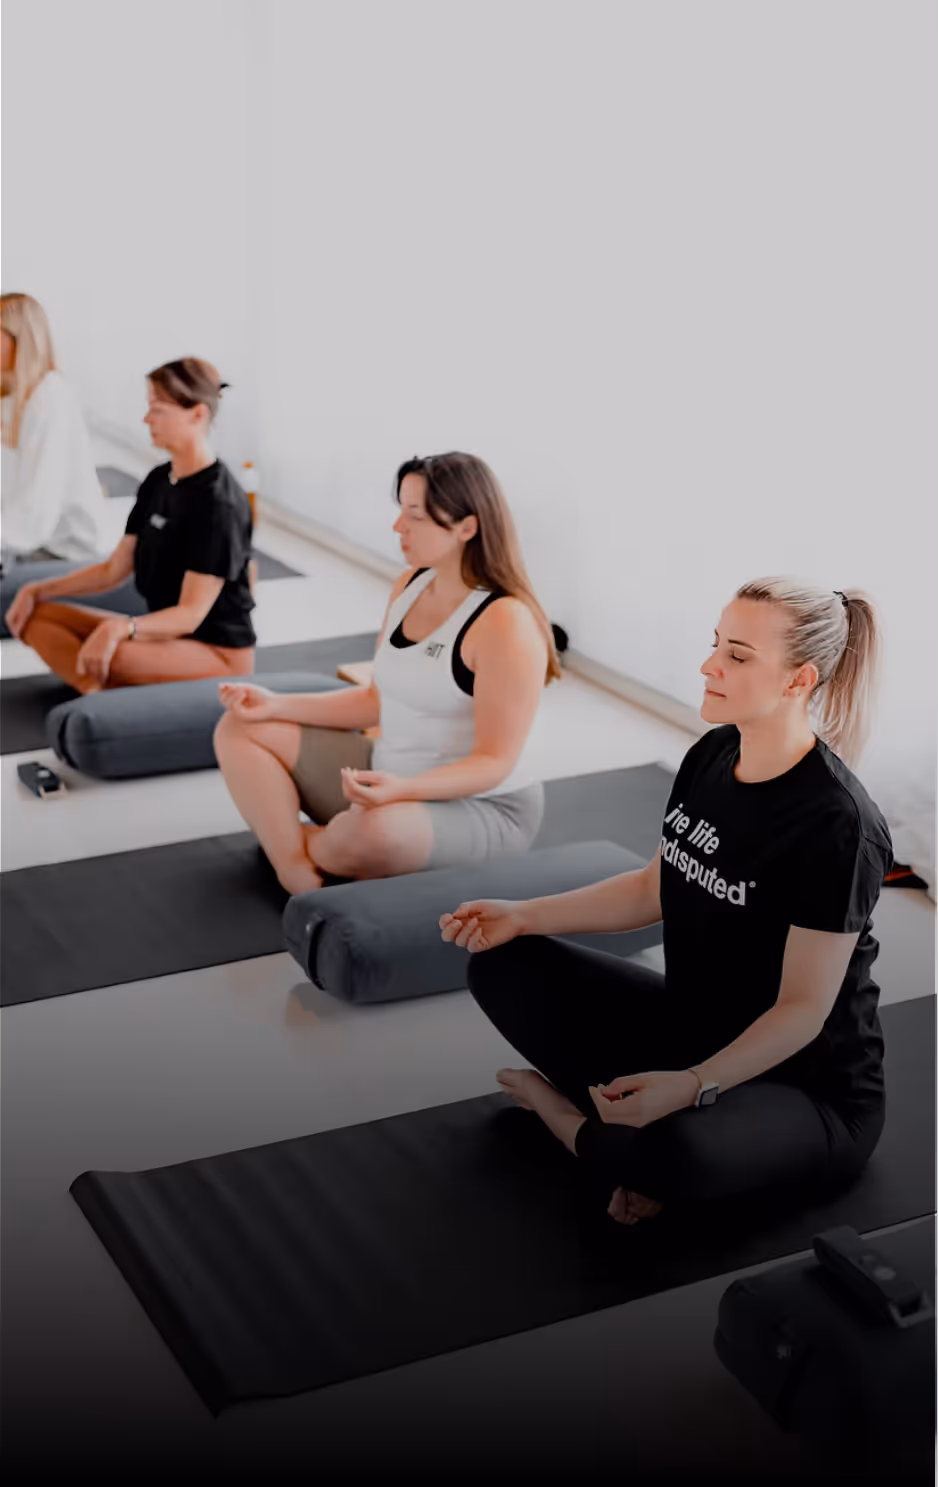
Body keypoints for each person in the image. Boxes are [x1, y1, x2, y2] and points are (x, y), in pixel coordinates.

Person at [441, 580, 892, 1228]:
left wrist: (692, 1084)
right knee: (501, 964)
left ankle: (565, 1119)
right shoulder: (712, 752)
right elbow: (653, 887)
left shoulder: (838, 824)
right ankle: (631, 1139)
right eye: (716, 645)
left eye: (738, 655)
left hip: (806, 1087)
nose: (710, 664)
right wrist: (522, 913)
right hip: (690, 1030)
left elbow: (801, 1011)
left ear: (799, 680)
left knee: (679, 1152)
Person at [214, 452, 559, 895]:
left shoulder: (504, 622)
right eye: (401, 510)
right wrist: (273, 704)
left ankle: (297, 843)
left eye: (414, 515)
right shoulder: (411, 583)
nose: (399, 526)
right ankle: (296, 867)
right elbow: (373, 701)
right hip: (388, 776)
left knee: (376, 833)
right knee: (240, 726)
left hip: (480, 807)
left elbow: (493, 763)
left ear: (466, 528)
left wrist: (402, 791)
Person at [5, 358, 255, 690]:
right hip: (161, 635)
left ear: (198, 413)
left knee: (115, 655)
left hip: (214, 649)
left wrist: (122, 628)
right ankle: (97, 689)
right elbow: (113, 571)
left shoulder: (218, 504)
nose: (146, 419)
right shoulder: (157, 480)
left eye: (159, 409)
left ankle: (103, 690)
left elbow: (191, 614)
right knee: (36, 617)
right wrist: (36, 590)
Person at [0, 292, 105, 565]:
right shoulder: (11, 400)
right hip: (23, 544)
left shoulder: (50, 398)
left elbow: (35, 511)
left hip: (60, 553)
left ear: (20, 339)